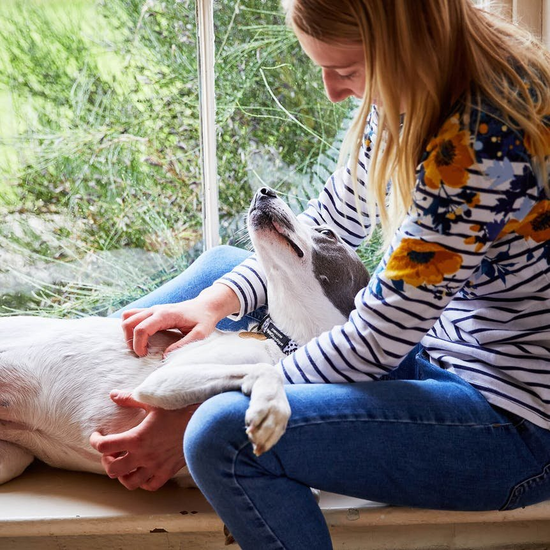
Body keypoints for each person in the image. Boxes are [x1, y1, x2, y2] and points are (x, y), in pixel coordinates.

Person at [90, 1, 550, 548]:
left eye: (346, 70)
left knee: (220, 434)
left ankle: (133, 415)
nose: (333, 92)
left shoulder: (481, 143)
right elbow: (333, 222)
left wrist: (192, 404)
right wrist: (216, 301)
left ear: (402, 41)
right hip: (427, 349)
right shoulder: (412, 89)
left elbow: (374, 343)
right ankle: (59, 382)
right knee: (222, 272)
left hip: (509, 424)